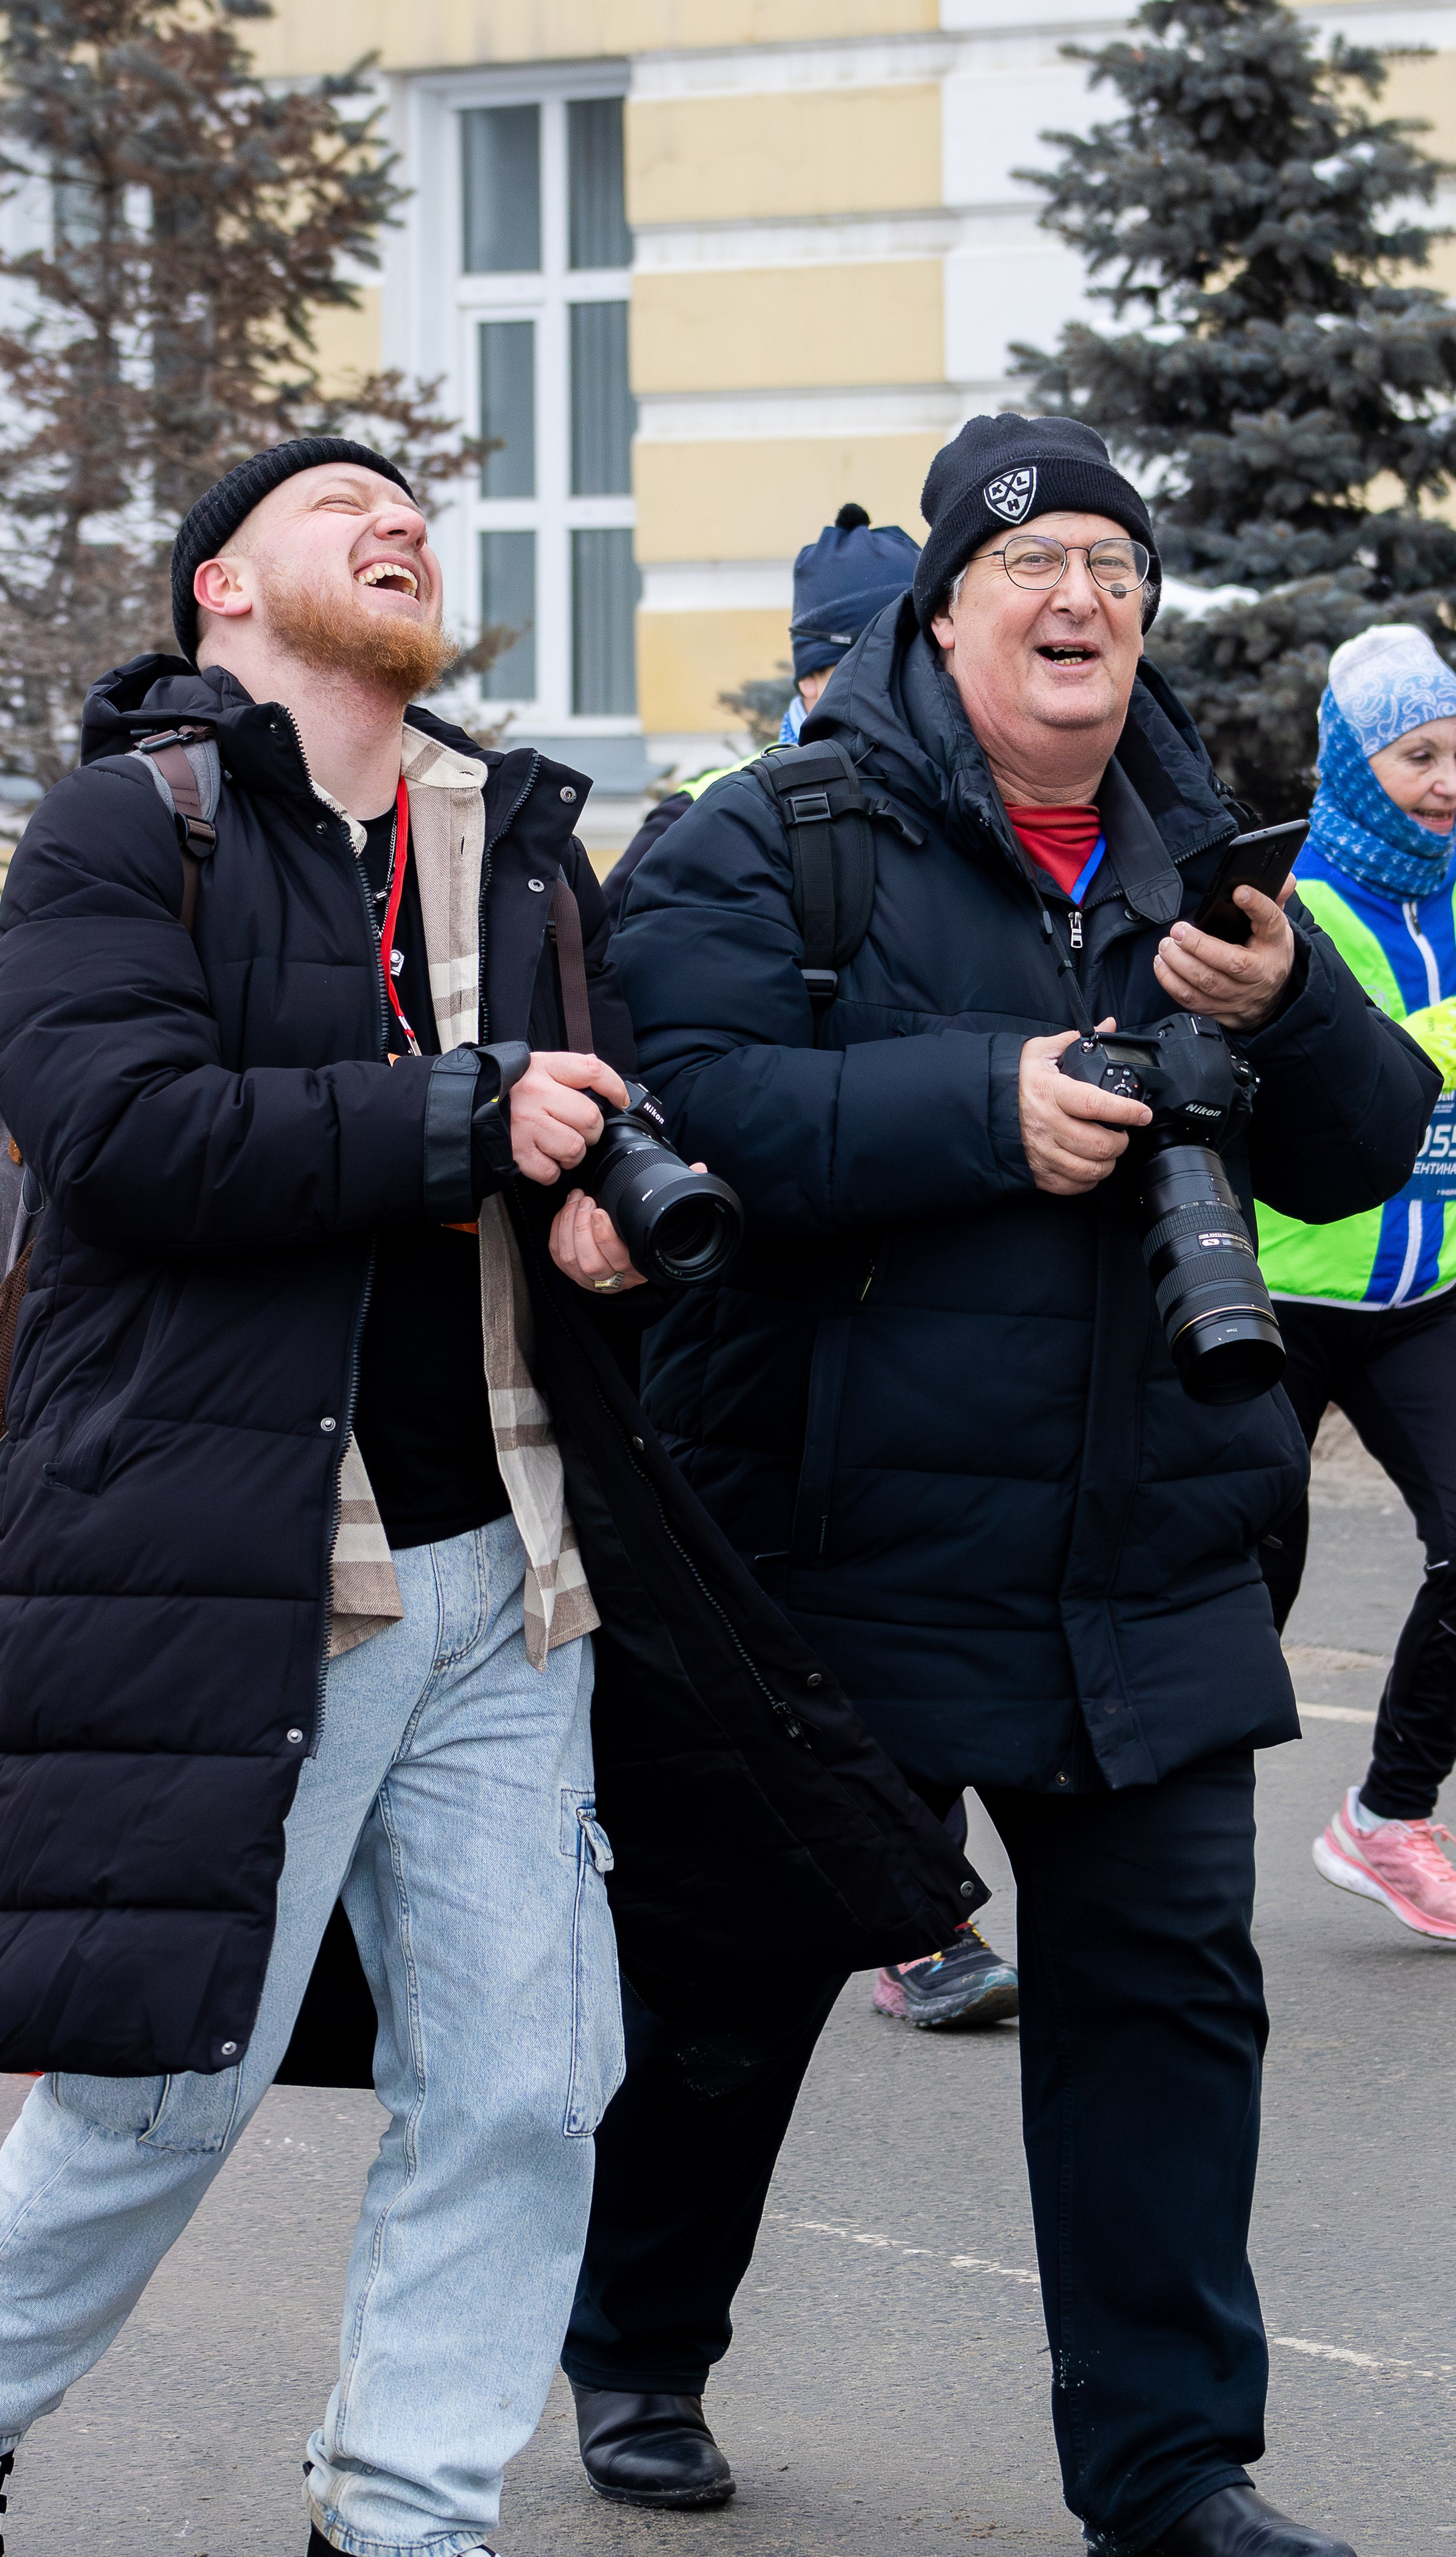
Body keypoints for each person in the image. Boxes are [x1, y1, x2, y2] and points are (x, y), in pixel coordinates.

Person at [0, 437, 976, 2557]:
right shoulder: (121, 830)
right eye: (335, 502)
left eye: (413, 507)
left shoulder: (521, 848)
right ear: (221, 592)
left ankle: (406, 2513)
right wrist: (463, 1113)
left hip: (511, 1570)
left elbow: (557, 1140)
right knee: (161, 2092)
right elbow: (124, 1134)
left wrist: (601, 1239)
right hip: (249, 1568)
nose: (397, 521)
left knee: (529, 2089)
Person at [561, 414, 1439, 2555]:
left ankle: (1168, 2470)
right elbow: (679, 1099)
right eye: (1032, 561)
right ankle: (637, 2340)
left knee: (1164, 2006)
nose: (1078, 603)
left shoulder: (1190, 857)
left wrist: (1295, 994)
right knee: (730, 1993)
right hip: (826, 1549)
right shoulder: (771, 835)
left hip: (1135, 1547)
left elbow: (1359, 1142)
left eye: (1116, 574)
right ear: (942, 603)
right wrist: (984, 1102)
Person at [618, 497, 1020, 2032]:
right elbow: (665, 1060)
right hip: (750, 1317)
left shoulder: (964, 807)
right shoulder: (727, 818)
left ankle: (911, 1901)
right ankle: (896, 1915)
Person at [1256, 625, 1456, 1942]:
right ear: (1352, 761)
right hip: (1289, 1288)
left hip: (1416, 1288)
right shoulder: (1292, 902)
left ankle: (1385, 1818)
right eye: (1416, 757)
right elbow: (1278, 1089)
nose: (1446, 783)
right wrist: (1396, 1057)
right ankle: (1112, 1863)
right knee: (1238, 1592)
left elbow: (1451, 1009)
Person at [602, 502, 921, 924]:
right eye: (870, 656)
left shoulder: (969, 793)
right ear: (809, 677)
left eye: (917, 655)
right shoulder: (700, 816)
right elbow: (600, 963)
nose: (903, 677)